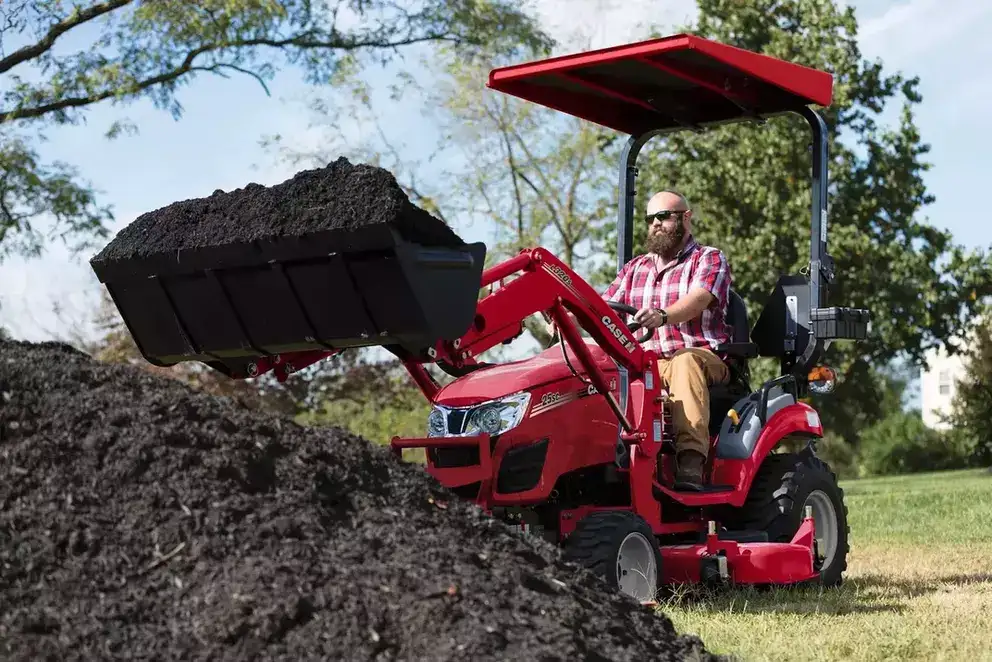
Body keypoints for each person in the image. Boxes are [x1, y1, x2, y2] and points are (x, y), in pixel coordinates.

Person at [602, 190, 733, 488]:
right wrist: (564, 315)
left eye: (664, 216)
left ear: (686, 218)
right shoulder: (635, 268)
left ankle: (690, 461)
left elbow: (699, 299)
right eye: (651, 219)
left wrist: (663, 316)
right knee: (594, 365)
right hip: (645, 363)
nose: (656, 224)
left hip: (701, 357)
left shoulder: (708, 258)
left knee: (684, 362)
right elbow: (602, 307)